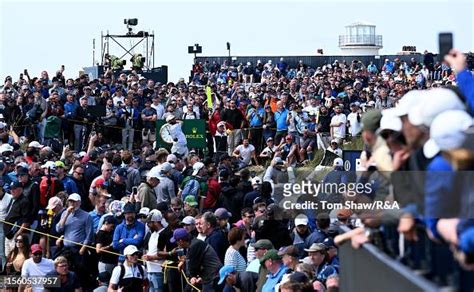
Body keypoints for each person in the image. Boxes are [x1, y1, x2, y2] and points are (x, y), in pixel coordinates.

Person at [142, 209, 168, 292]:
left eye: (149, 222)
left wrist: (151, 257)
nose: (148, 224)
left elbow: (165, 253)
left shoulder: (164, 234)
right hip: (150, 270)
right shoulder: (152, 234)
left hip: (158, 271)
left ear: (156, 222)